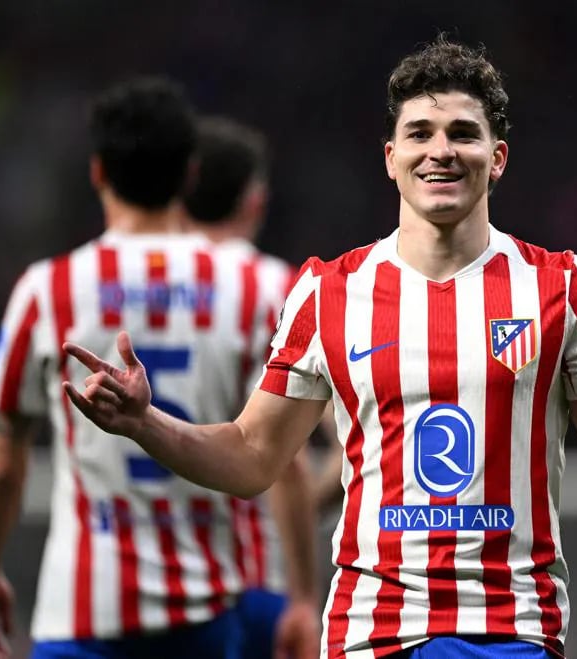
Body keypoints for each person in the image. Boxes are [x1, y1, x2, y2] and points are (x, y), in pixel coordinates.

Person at [62, 37, 577, 658]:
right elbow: (253, 455)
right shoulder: (327, 291)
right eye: (419, 134)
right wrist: (144, 422)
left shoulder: (562, 286)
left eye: (462, 134)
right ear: (390, 157)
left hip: (509, 631)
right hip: (369, 634)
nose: (440, 151)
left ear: (497, 157)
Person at [0, 77, 308, 659]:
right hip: (206, 612)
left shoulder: (47, 290)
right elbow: (280, 454)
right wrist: (300, 594)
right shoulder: (255, 289)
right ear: (190, 174)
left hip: (82, 614)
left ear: (97, 171)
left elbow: (3, 456)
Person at [182, 114, 321, 659]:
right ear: (255, 200)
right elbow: (333, 445)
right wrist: (305, 588)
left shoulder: (113, 284)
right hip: (251, 581)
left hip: (128, 582)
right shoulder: (276, 289)